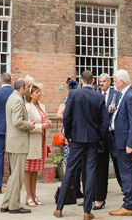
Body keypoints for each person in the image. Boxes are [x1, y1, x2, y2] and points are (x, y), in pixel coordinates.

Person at [55, 70, 104, 218]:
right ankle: (87, 211)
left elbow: (67, 116)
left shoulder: (74, 94)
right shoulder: (99, 96)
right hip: (93, 139)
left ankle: (59, 208)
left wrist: (68, 135)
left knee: (69, 170)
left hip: (76, 138)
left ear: (82, 80)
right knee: (90, 173)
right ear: (93, 80)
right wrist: (100, 136)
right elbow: (104, 121)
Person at [110, 69, 132, 216]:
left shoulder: (130, 96)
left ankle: (128, 203)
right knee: (127, 171)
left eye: (115, 80)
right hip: (120, 139)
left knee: (126, 172)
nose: (114, 83)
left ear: (121, 81)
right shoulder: (124, 95)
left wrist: (130, 143)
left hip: (124, 141)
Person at [0, 78, 33, 214]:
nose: (27, 90)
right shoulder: (18, 100)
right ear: (22, 88)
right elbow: (17, 121)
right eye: (27, 87)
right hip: (18, 142)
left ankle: (7, 203)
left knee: (14, 176)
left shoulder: (11, 98)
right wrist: (29, 125)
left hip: (13, 141)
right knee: (17, 176)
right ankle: (14, 205)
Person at [93, 72, 121, 210]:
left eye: (104, 81)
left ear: (109, 82)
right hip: (102, 134)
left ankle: (124, 187)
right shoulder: (97, 95)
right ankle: (100, 197)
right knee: (101, 166)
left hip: (114, 133)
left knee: (118, 162)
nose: (101, 83)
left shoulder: (116, 94)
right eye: (100, 81)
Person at [23, 81, 51, 207]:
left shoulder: (42, 106)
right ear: (31, 94)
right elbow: (28, 125)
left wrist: (47, 124)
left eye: (39, 92)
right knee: (28, 170)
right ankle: (28, 195)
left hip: (41, 141)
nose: (39, 94)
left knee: (35, 170)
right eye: (37, 92)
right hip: (32, 141)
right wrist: (41, 126)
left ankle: (34, 194)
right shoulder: (27, 107)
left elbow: (43, 119)